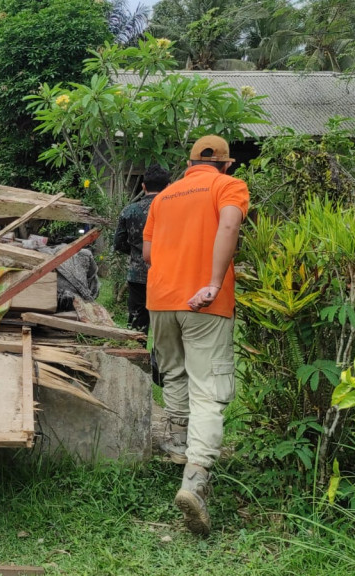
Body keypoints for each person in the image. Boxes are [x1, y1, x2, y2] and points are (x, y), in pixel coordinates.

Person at [142, 135, 248, 536]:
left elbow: (149, 254)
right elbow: (230, 223)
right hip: (205, 302)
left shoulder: (163, 197)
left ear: (189, 163)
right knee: (208, 387)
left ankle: (177, 448)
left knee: (175, 375)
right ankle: (195, 480)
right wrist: (214, 281)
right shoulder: (228, 186)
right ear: (226, 164)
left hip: (162, 300)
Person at [114, 164, 170, 333]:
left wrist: (136, 253)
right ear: (168, 186)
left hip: (137, 274)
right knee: (166, 326)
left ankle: (136, 356)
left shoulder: (129, 210)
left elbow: (119, 243)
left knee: (137, 324)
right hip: (167, 274)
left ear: (143, 186)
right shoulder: (173, 210)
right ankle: (159, 359)